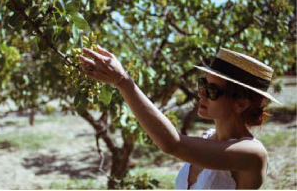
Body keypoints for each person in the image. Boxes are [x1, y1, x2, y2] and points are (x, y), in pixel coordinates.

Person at [79, 46, 280, 190]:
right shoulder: (206, 137)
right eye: (203, 84)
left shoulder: (253, 154)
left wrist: (123, 82)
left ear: (240, 104)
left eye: (212, 90)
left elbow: (172, 144)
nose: (201, 93)